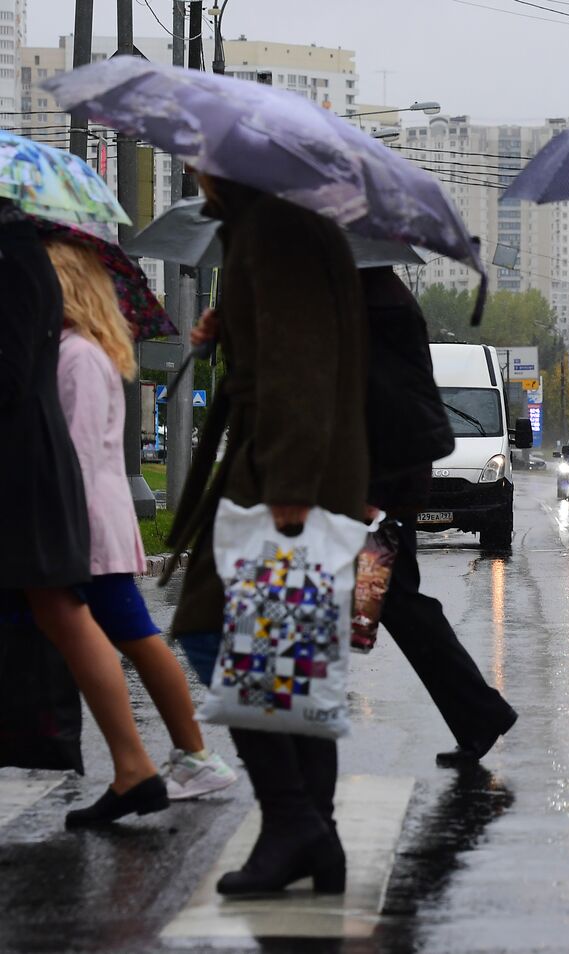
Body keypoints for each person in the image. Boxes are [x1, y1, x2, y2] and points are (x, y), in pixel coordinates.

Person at [165, 175, 367, 896]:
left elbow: (299, 367)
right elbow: (290, 346)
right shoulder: (288, 222)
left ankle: (292, 822)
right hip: (304, 472)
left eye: (196, 160)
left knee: (207, 630)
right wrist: (233, 327)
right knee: (292, 658)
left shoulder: (274, 228)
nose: (191, 172)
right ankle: (319, 834)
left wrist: (288, 487)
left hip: (282, 481)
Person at [45, 237, 237, 802]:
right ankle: (186, 754)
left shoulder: (77, 355)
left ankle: (191, 755)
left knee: (132, 635)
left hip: (84, 525)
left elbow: (75, 453)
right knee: (131, 635)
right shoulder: (79, 349)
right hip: (90, 522)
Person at [0, 201, 168, 828]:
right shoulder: (31, 267)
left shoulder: (21, 266)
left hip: (59, 496)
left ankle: (155, 762)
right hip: (68, 497)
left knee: (98, 622)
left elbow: (21, 388)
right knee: (82, 620)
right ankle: (140, 765)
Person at [361, 266, 518, 766]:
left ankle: (479, 712)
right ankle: (478, 713)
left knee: (389, 599)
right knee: (392, 600)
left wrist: (374, 489)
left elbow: (382, 402)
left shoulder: (375, 303)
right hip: (380, 482)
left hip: (376, 486)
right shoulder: (376, 295)